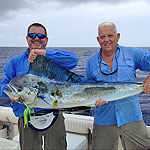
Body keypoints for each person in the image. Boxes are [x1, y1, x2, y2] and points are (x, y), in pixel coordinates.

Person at [0, 23, 78, 150]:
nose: (36, 38)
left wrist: (44, 53)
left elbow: (73, 60)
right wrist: (11, 95)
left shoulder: (54, 59)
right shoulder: (15, 62)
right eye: (32, 35)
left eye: (41, 35)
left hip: (54, 115)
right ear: (27, 38)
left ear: (46, 40)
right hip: (27, 118)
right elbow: (4, 86)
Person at [86, 21, 150, 149]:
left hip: (132, 117)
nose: (106, 40)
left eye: (110, 36)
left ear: (118, 36)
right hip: (103, 120)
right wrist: (92, 101)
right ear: (98, 40)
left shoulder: (131, 53)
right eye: (102, 37)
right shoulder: (91, 62)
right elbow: (87, 90)